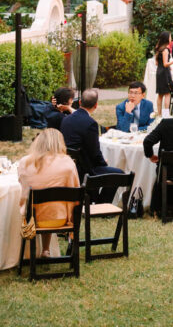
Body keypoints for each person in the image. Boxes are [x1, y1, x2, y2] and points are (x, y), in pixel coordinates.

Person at [17, 128, 80, 259]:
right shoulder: (67, 163)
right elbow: (75, 191)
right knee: (53, 206)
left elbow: (22, 186)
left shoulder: (25, 162)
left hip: (33, 219)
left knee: (42, 207)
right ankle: (45, 250)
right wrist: (73, 219)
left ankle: (31, 252)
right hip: (59, 219)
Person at [61, 89, 121, 187]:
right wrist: (103, 164)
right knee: (119, 175)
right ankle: (101, 200)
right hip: (85, 169)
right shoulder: (90, 123)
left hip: (69, 164)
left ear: (80, 102)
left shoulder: (65, 119)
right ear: (96, 105)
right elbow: (94, 152)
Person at [154, 31, 173, 116]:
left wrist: (168, 66)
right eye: (170, 37)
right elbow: (165, 64)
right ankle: (165, 114)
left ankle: (159, 114)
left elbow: (157, 63)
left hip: (159, 72)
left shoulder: (158, 48)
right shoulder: (165, 50)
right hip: (164, 73)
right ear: (167, 38)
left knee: (160, 94)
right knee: (167, 93)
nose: (171, 38)